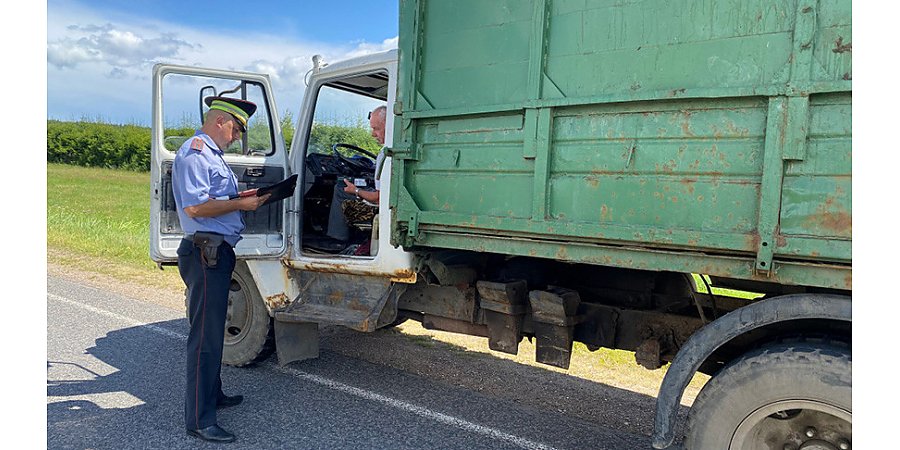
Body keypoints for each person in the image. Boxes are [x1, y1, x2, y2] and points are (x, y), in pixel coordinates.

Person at [172, 96, 270, 443]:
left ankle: (212, 394)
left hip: (215, 250)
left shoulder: (212, 155)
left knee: (212, 332)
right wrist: (243, 203)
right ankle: (199, 420)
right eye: (236, 128)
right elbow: (196, 208)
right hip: (205, 252)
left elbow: (214, 199)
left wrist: (244, 198)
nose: (237, 136)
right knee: (205, 339)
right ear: (220, 121)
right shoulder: (196, 153)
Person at [325, 105, 387, 247]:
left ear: (388, 126)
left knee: (340, 190)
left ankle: (337, 240)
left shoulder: (385, 154)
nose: (373, 134)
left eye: (376, 128)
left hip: (382, 206)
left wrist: (356, 190)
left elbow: (378, 198)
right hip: (387, 203)